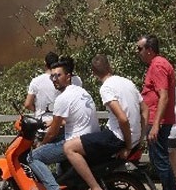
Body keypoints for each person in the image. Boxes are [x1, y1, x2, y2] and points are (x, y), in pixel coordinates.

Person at [63, 54, 148, 190]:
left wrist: (128, 145)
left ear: (94, 72)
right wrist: (140, 138)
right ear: (110, 66)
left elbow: (123, 118)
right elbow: (145, 110)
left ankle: (95, 187)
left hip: (118, 137)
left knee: (69, 148)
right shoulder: (128, 82)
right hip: (133, 136)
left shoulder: (106, 88)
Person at [28, 56, 99, 190]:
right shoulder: (82, 91)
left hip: (75, 142)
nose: (55, 79)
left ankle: (53, 188)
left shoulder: (63, 98)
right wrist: (53, 122)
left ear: (68, 76)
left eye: (58, 75)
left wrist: (41, 145)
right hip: (89, 138)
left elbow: (52, 133)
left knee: (33, 157)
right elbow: (71, 118)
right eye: (52, 76)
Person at [136, 34, 176, 190]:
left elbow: (164, 96)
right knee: (158, 160)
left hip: (157, 120)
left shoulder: (158, 65)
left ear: (149, 50)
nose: (137, 52)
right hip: (157, 120)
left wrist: (155, 125)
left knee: (160, 161)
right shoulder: (157, 64)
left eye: (139, 48)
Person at [24, 52, 83, 123]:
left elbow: (27, 104)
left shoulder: (36, 81)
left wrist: (38, 110)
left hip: (43, 123)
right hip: (63, 122)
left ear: (45, 64)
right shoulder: (75, 80)